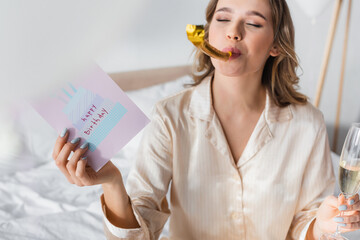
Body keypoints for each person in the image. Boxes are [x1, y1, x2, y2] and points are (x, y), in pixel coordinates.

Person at [52, 0, 360, 239]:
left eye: (253, 23)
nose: (233, 31)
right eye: (223, 18)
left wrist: (321, 227)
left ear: (276, 45)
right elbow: (138, 233)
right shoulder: (169, 117)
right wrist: (112, 183)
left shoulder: (308, 124)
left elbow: (307, 221)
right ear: (208, 32)